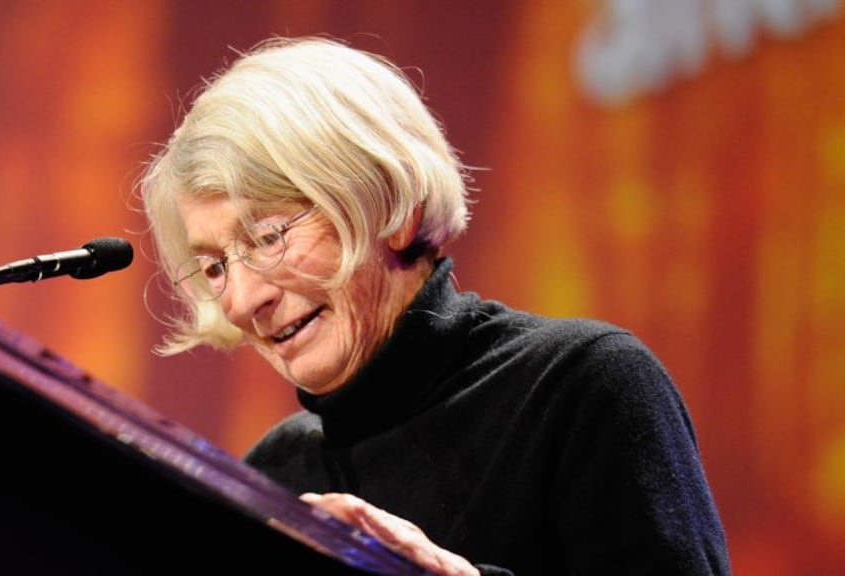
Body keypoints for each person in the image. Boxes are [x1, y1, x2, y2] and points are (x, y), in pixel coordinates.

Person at [138, 35, 731, 575]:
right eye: (215, 266)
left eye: (269, 236)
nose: (243, 300)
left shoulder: (581, 385)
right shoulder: (275, 473)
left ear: (393, 206)